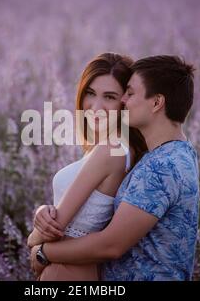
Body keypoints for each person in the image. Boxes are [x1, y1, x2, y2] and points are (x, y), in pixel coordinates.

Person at [30, 55, 200, 281]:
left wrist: (41, 250)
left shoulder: (161, 165)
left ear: (157, 102)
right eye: (90, 93)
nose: (124, 102)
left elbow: (111, 245)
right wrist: (44, 211)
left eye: (128, 94)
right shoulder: (171, 154)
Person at [26, 52, 147, 280]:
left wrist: (33, 240)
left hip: (67, 271)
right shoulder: (119, 148)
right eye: (90, 93)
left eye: (109, 97)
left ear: (125, 103)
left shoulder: (110, 149)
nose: (95, 106)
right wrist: (42, 211)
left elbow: (53, 229)